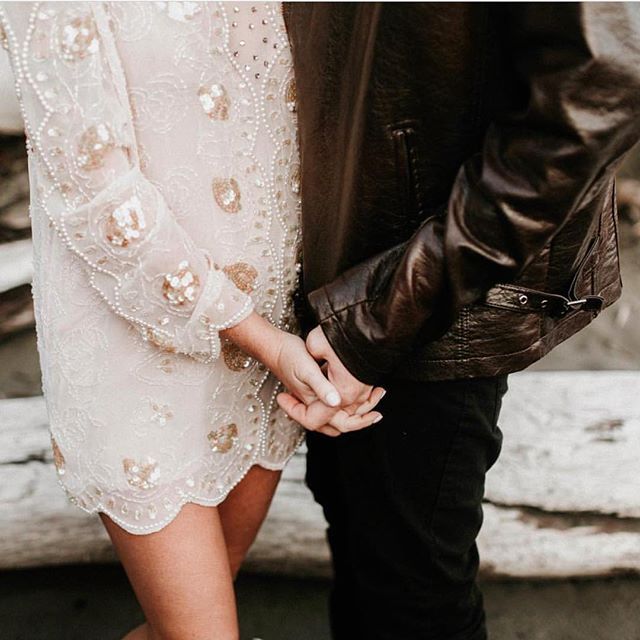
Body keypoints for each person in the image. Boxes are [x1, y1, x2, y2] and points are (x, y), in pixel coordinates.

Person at [0, 3, 384, 639]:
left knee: (180, 623)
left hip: (268, 346)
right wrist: (260, 337)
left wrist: (348, 324)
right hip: (134, 347)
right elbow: (97, 195)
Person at [281, 3, 640, 639]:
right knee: (369, 567)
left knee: (413, 604)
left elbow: (604, 82)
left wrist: (383, 315)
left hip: (425, 296)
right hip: (346, 276)